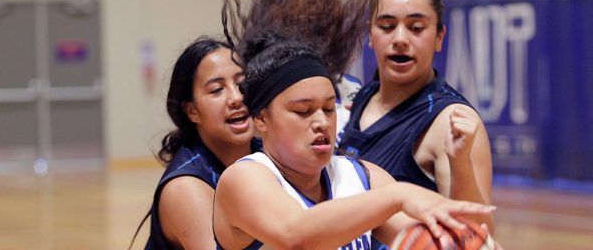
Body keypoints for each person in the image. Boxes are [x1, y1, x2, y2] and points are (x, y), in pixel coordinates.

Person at [212, 37, 495, 249]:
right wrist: (398, 196)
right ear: (261, 119)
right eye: (303, 111)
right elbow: (294, 234)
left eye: (328, 108)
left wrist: (461, 167)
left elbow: (454, 242)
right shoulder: (244, 177)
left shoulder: (362, 176)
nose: (321, 121)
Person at [338, 0, 494, 231]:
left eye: (416, 28)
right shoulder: (363, 97)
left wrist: (461, 164)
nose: (400, 39)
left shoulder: (450, 120)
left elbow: (478, 235)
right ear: (370, 35)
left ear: (439, 37)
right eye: (387, 26)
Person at [132, 37, 260, 250]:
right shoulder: (184, 188)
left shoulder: (265, 154)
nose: (236, 97)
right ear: (192, 111)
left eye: (241, 84)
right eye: (217, 89)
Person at [237, 0, 368, 137]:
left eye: (334, 1)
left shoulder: (351, 88)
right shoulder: (246, 83)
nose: (328, 11)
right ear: (274, 8)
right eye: (312, 1)